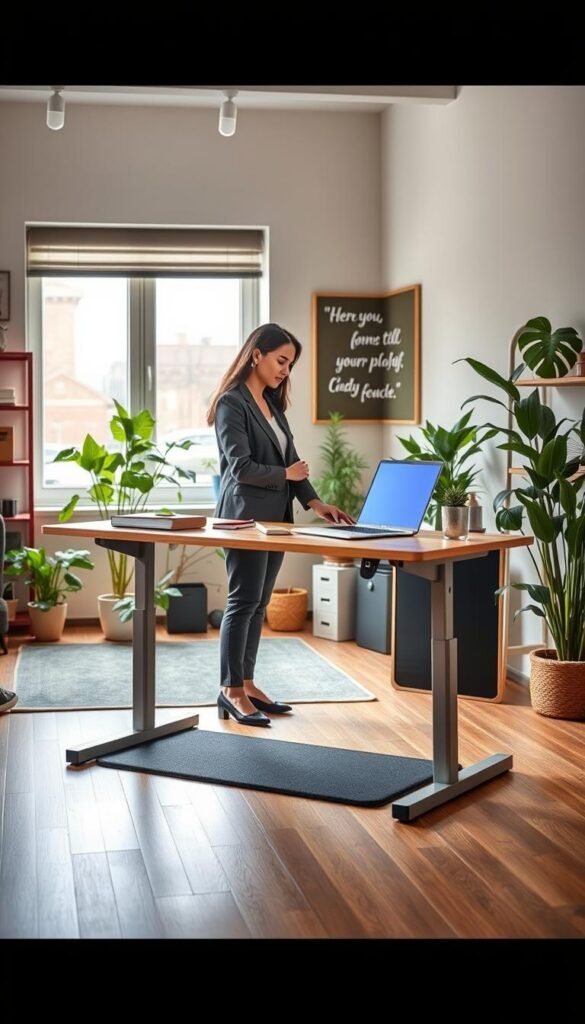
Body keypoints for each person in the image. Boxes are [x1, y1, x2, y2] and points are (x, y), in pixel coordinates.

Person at [207, 322, 355, 727]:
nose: (285, 370)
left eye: (290, 364)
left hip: (276, 519)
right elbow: (240, 469)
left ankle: (247, 683)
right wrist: (286, 476)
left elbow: (292, 463)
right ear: (257, 354)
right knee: (242, 602)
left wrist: (316, 502)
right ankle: (230, 689)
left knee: (258, 605)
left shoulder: (272, 404)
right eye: (281, 360)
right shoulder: (230, 404)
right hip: (243, 519)